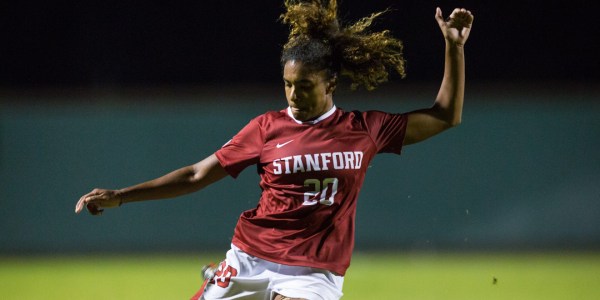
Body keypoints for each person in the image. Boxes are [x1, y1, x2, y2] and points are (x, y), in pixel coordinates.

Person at [75, 1, 474, 299]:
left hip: (314, 274)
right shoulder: (267, 128)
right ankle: (230, 279)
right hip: (252, 256)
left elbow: (444, 117)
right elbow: (198, 174)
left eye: (304, 85)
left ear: (330, 83)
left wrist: (453, 48)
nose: (294, 94)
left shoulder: (364, 129)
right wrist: (121, 196)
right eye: (287, 84)